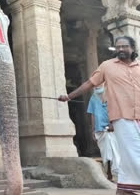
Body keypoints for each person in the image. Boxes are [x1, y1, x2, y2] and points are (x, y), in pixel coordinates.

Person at [59, 36, 140, 195]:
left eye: (124, 46)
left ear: (132, 48)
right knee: (133, 153)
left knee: (128, 158)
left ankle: (126, 188)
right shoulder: (107, 66)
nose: (121, 49)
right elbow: (89, 84)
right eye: (118, 47)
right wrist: (70, 96)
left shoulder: (139, 67)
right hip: (122, 118)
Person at [87, 85, 120, 181]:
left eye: (99, 84)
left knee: (114, 151)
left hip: (112, 128)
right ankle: (109, 173)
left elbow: (116, 110)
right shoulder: (93, 98)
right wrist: (93, 130)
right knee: (105, 153)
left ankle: (115, 174)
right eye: (95, 85)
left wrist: (112, 123)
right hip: (99, 130)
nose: (97, 86)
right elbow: (92, 114)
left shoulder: (111, 96)